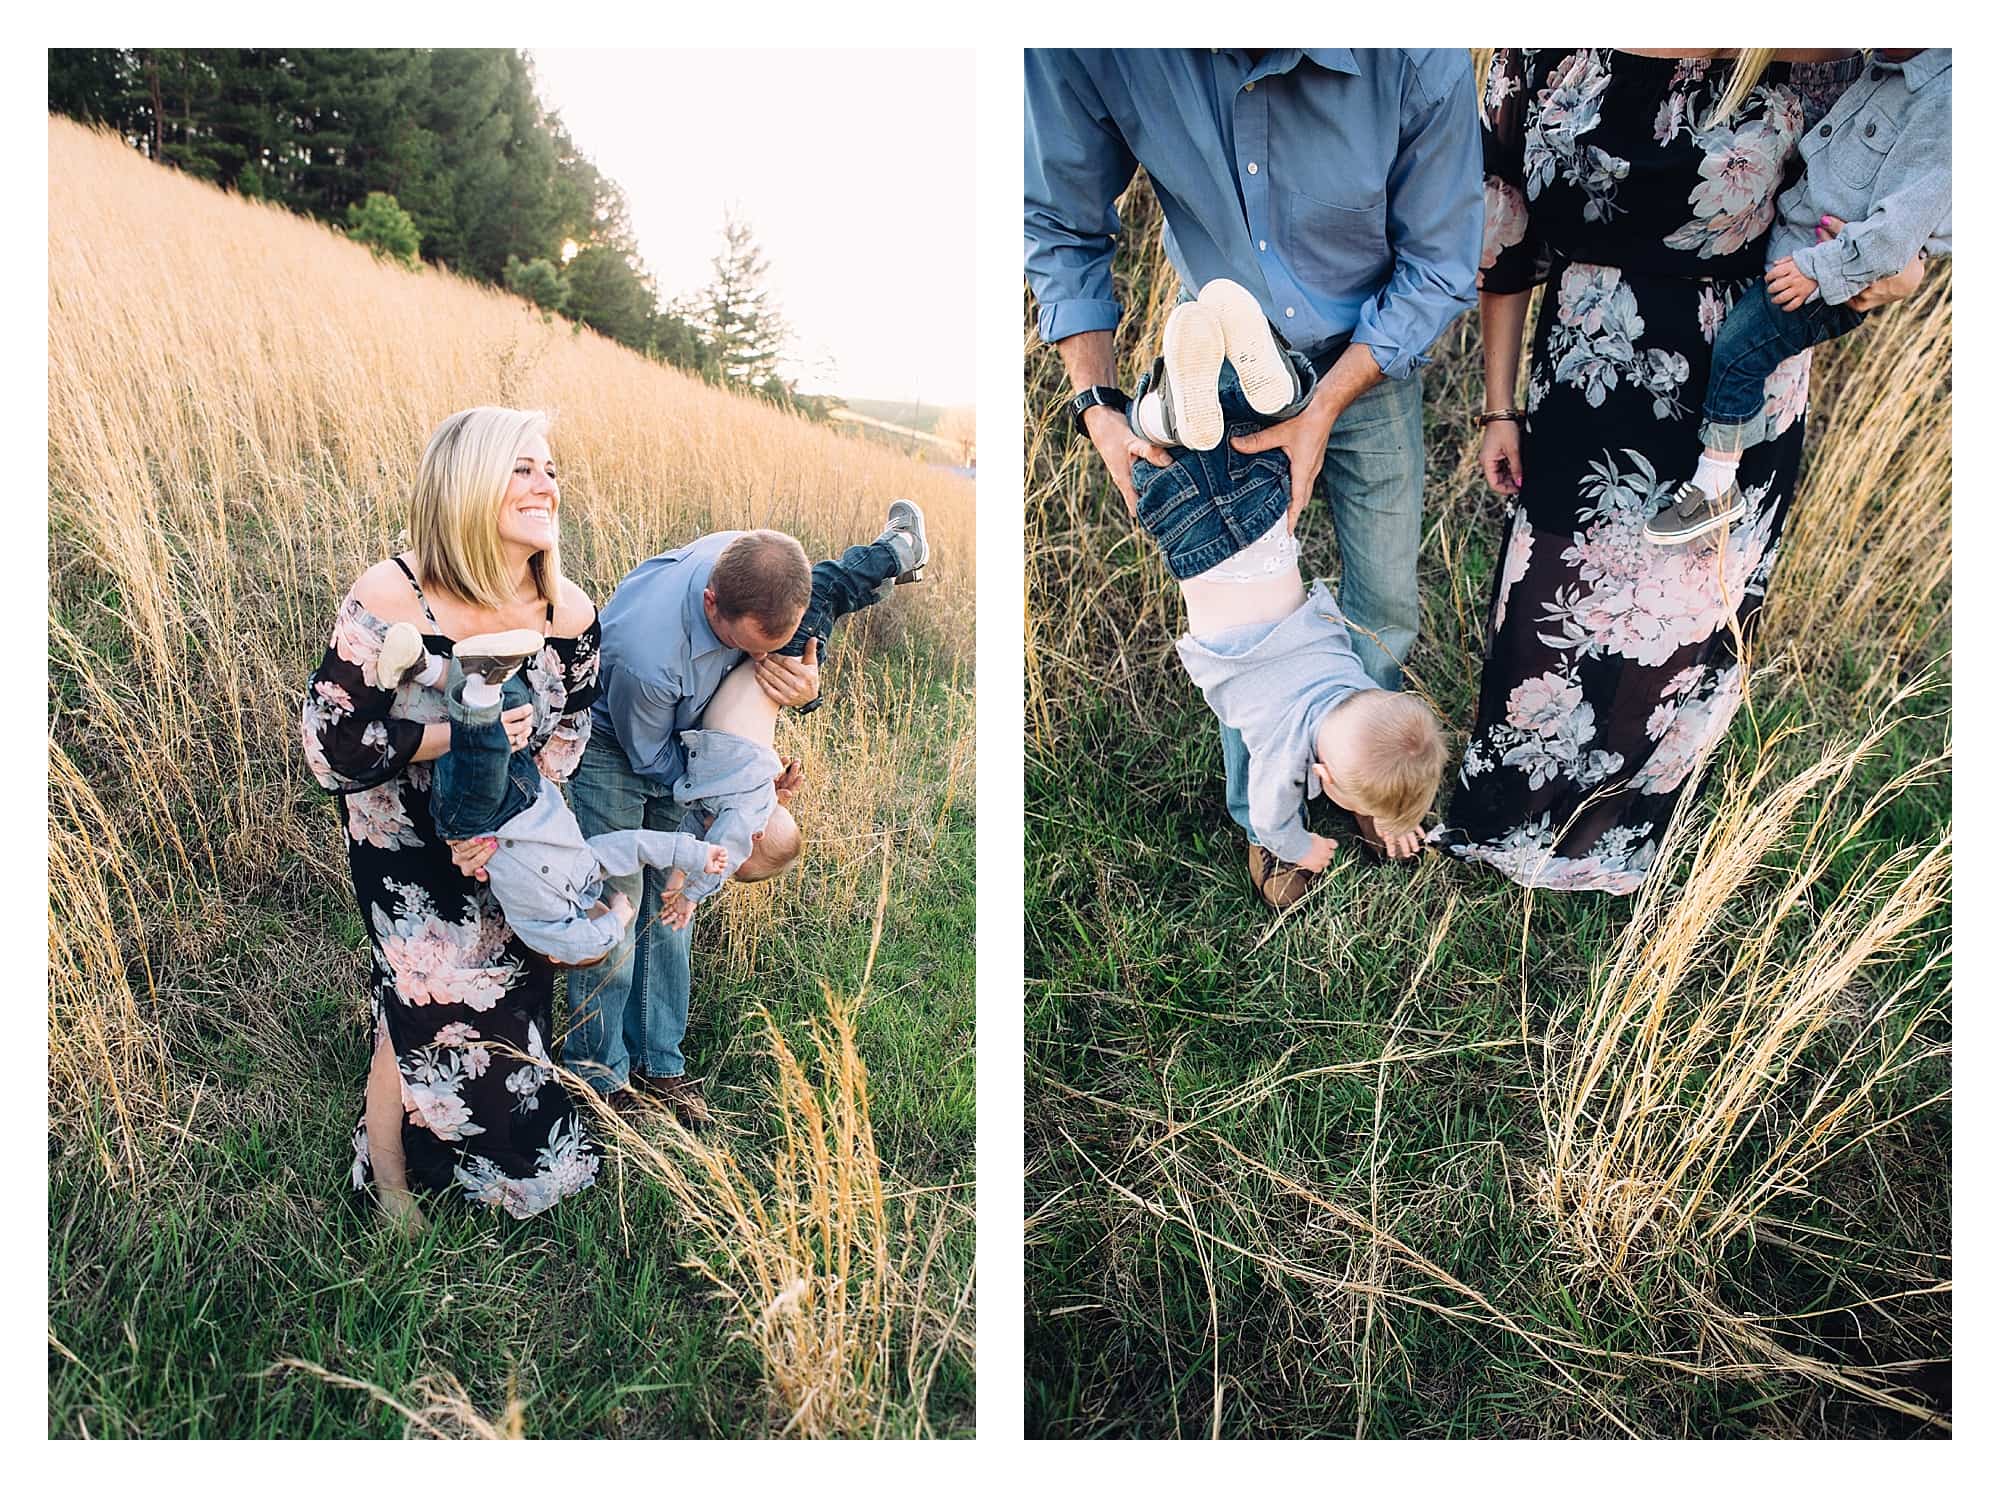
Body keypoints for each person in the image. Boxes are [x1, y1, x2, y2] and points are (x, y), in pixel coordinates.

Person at [1436, 49, 1927, 893]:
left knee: (1683, 619)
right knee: (1548, 601)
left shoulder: (1813, 51)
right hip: (1585, 369)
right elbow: (1506, 236)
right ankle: (1508, 819)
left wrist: (1902, 263)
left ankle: (1620, 832)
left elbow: (1912, 168)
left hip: (1735, 392)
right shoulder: (1535, 46)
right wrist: (1497, 406)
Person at [1024, 48, 1482, 909]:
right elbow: (1057, 220)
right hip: (1231, 361)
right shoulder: (1089, 39)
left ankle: (1357, 771)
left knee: (1384, 604)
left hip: (1369, 358)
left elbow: (1442, 265)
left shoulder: (1417, 49)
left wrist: (1328, 405)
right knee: (1226, 509)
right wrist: (1097, 406)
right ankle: (1274, 808)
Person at [300, 406, 603, 1228]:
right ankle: (393, 1180)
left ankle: (488, 1150)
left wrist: (504, 826)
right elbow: (331, 748)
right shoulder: (390, 594)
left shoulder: (565, 612)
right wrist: (451, 737)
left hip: (509, 842)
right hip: (402, 844)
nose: (548, 483)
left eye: (550, 467)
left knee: (509, 1002)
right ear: (468, 481)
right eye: (523, 467)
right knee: (422, 998)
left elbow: (569, 731)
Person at [563, 505, 929, 1124]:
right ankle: (598, 1077)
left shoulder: (764, 572)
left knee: (671, 915)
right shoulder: (648, 657)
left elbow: (793, 652)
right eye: (750, 650)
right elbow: (648, 757)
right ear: (714, 606)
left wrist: (804, 697)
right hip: (620, 747)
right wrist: (731, 797)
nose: (765, 661)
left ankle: (660, 1064)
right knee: (617, 910)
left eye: (774, 648)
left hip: (690, 748)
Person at [1124, 287, 1447, 888]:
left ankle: (1273, 383)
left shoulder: (1351, 675)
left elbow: (1380, 730)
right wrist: (1299, 843)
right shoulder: (1285, 748)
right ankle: (1169, 409)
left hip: (1265, 526)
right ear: (1321, 777)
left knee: (1246, 430)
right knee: (1161, 443)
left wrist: (1379, 782)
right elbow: (1273, 814)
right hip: (1198, 545)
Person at [1646, 49, 1950, 545]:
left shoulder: (1946, 99)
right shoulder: (1884, 65)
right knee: (1742, 355)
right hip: (1794, 254)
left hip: (1821, 269)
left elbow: (1895, 237)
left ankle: (1716, 486)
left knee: (1741, 350)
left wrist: (1820, 270)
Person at [371, 625, 726, 964]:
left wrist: (620, 918)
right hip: (525, 790)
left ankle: (481, 680)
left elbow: (586, 942)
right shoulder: (589, 868)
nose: (597, 922)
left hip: (478, 820)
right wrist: (696, 853)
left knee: (484, 746)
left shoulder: (543, 928)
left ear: (557, 955)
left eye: (588, 943)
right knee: (514, 709)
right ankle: (423, 665)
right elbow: (637, 846)